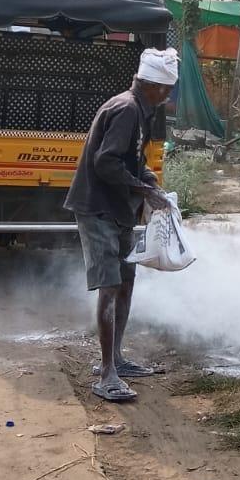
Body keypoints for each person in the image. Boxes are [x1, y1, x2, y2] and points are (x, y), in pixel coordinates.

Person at [65, 46, 177, 402]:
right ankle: (107, 374)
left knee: (125, 280)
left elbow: (132, 160)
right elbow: (106, 163)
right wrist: (143, 188)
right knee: (111, 286)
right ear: (154, 86)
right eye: (167, 88)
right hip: (98, 208)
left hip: (117, 209)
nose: (169, 94)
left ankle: (116, 359)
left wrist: (150, 182)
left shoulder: (137, 110)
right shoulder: (127, 110)